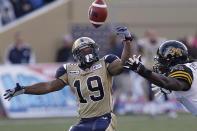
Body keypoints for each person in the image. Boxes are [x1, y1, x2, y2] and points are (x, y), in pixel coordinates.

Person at [3, 26, 134, 130]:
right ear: (77, 54)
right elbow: (49, 86)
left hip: (104, 118)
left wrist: (127, 41)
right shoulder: (69, 70)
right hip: (84, 121)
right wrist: (25, 89)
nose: (88, 52)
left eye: (90, 49)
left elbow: (124, 63)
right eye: (84, 50)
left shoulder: (105, 63)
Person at [124, 40, 197, 116]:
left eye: (163, 61)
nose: (160, 64)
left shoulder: (182, 70)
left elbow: (170, 83)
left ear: (172, 60)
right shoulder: (193, 65)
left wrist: (142, 70)